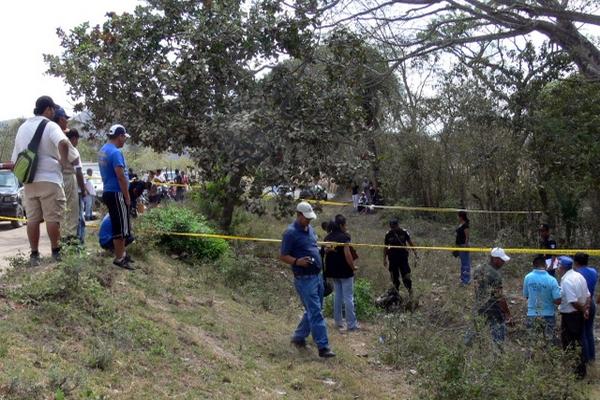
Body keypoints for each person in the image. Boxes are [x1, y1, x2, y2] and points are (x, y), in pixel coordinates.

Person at [10, 96, 70, 266]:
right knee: (53, 218)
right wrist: (63, 163)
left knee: (33, 219)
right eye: (53, 110)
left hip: (29, 180)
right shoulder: (50, 125)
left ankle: (34, 255)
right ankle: (56, 252)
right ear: (48, 109)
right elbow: (64, 143)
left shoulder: (22, 128)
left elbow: (15, 158)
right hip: (49, 178)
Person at [279, 201, 335, 358]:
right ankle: (323, 347)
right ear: (298, 215)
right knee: (316, 312)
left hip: (317, 276)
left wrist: (323, 249)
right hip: (304, 279)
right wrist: (297, 262)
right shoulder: (290, 233)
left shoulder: (310, 230)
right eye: (306, 218)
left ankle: (298, 337)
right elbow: (283, 255)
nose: (309, 220)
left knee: (314, 310)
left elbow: (312, 247)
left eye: (310, 218)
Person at [98, 124, 134, 270]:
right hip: (117, 192)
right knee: (121, 226)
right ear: (119, 136)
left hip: (108, 191)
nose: (124, 140)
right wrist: (127, 197)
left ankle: (123, 255)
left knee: (118, 223)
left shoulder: (103, 151)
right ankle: (120, 258)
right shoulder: (115, 153)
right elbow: (120, 176)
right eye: (124, 137)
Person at [323, 214, 359, 331]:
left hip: (333, 271)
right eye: (345, 224)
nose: (346, 226)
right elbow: (348, 255)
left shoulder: (327, 238)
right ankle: (352, 325)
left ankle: (338, 322)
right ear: (341, 225)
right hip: (345, 271)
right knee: (348, 297)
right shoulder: (345, 237)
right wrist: (353, 267)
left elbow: (325, 251)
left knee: (337, 296)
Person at [557, 255, 590, 378]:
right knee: (577, 343)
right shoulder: (579, 276)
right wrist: (586, 309)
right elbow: (588, 295)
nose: (557, 269)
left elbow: (573, 302)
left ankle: (577, 374)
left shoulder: (567, 280)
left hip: (571, 316)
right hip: (577, 315)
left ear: (562, 267)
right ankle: (579, 372)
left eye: (558, 266)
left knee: (570, 345)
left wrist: (583, 310)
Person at [472, 248, 512, 344]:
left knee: (473, 333)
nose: (503, 263)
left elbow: (476, 287)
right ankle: (499, 354)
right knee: (499, 338)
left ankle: (463, 351)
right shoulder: (495, 275)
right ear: (495, 259)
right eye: (502, 260)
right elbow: (500, 297)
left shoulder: (478, 269)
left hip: (479, 306)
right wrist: (507, 314)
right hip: (493, 309)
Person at [523, 255, 561, 341]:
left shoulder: (528, 277)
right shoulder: (552, 280)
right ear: (546, 265)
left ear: (533, 265)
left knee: (532, 343)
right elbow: (558, 300)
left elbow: (526, 295)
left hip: (532, 313)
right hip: (548, 314)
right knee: (549, 341)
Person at [573, 253, 597, 364]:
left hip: (581, 304)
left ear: (576, 262)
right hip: (591, 302)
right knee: (589, 331)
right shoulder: (594, 272)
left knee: (581, 332)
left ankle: (585, 359)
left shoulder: (576, 274)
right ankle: (592, 358)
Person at [384, 218, 417, 296]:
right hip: (392, 259)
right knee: (394, 279)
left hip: (403, 258)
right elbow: (385, 247)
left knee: (406, 277)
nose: (393, 229)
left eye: (394, 227)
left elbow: (410, 243)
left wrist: (415, 253)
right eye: (391, 227)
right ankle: (396, 295)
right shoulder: (388, 234)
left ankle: (410, 292)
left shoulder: (404, 232)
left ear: (398, 225)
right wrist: (384, 259)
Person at [66, 129, 87, 244]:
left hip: (69, 189)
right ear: (74, 138)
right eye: (77, 139)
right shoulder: (73, 151)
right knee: (79, 218)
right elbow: (78, 172)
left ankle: (73, 242)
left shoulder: (63, 150)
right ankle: (79, 243)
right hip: (76, 190)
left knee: (70, 217)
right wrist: (83, 190)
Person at [456, 211, 471, 284]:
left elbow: (467, 237)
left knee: (465, 264)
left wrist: (466, 245)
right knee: (463, 263)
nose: (457, 218)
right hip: (459, 245)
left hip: (463, 246)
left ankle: (466, 280)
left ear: (461, 217)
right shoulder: (460, 224)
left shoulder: (465, 225)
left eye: (458, 216)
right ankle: (462, 278)